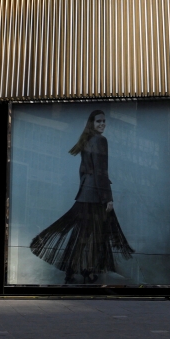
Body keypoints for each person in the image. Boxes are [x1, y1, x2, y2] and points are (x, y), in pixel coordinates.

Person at [30, 110, 134, 284]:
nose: (102, 124)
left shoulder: (87, 141)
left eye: (104, 121)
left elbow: (83, 171)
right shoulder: (100, 140)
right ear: (91, 123)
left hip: (87, 193)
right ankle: (88, 271)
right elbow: (101, 171)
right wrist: (108, 198)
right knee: (96, 236)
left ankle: (73, 271)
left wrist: (85, 188)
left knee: (84, 235)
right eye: (99, 121)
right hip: (96, 195)